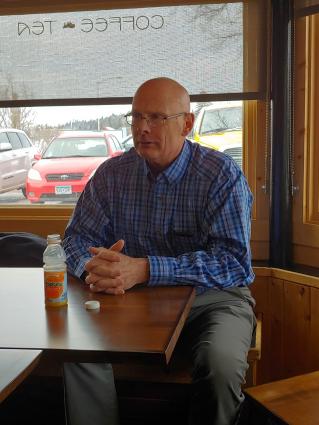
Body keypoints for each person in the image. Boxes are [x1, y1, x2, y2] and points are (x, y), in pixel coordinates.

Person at [63, 77, 255, 425]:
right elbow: (75, 238)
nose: (143, 128)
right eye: (136, 117)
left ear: (186, 123)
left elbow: (234, 263)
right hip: (127, 301)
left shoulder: (220, 174)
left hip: (211, 300)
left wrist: (146, 269)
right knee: (78, 352)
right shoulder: (111, 174)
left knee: (220, 365)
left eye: (156, 118)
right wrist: (93, 267)